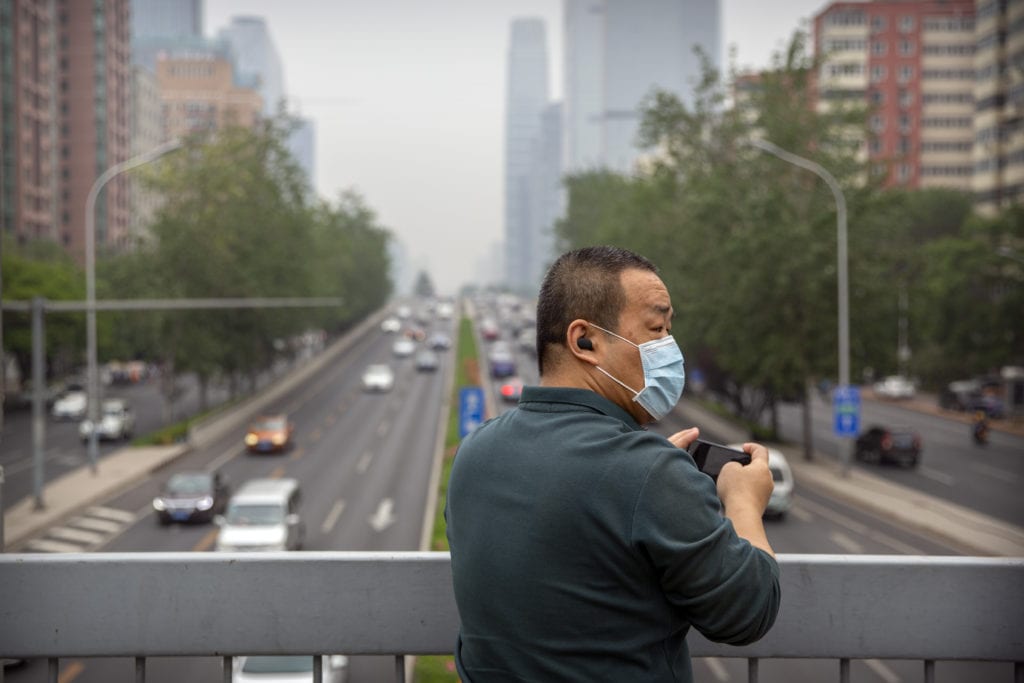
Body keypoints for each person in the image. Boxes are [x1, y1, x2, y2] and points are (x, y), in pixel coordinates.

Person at [445, 246, 780, 682]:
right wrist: (743, 504)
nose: (669, 348)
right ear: (585, 340)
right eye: (656, 328)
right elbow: (748, 613)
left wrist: (660, 484)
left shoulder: (475, 451)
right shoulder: (648, 473)